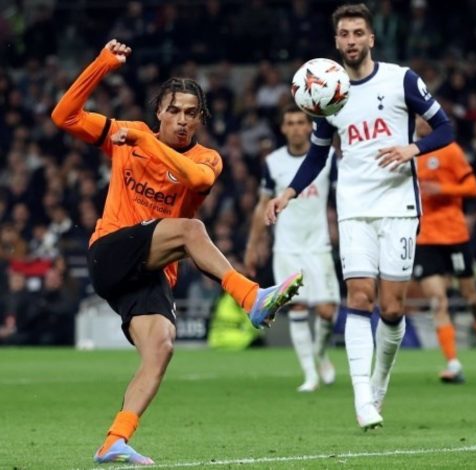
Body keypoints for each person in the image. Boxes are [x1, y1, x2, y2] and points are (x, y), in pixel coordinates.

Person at [51, 40, 303, 465]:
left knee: (161, 346)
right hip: (111, 250)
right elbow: (64, 116)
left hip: (150, 271)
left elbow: (197, 180)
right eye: (174, 111)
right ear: (160, 113)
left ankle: (115, 438)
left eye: (191, 113)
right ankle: (250, 297)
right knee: (190, 229)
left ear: (201, 118)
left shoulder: (207, 157)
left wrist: (143, 140)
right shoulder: (126, 135)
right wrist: (102, 65)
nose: (182, 120)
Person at [265, 3, 454, 430]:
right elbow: (317, 155)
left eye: (357, 33)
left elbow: (446, 128)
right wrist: (288, 193)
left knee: (392, 309)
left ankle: (379, 382)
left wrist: (413, 148)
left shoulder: (401, 79)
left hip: (399, 206)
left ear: (371, 38)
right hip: (353, 209)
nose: (351, 41)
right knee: (359, 298)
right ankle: (362, 398)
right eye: (344, 34)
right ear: (336, 42)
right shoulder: (328, 93)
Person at [245, 105, 340, 392]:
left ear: (309, 127)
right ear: (283, 128)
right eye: (291, 123)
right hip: (286, 247)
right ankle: (310, 375)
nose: (296, 128)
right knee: (297, 306)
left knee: (326, 311)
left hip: (319, 244)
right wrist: (253, 244)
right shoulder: (273, 162)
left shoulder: (328, 156)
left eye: (301, 122)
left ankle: (321, 355)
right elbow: (262, 204)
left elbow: (340, 196)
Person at [411, 116, 476, 383]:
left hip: (453, 234)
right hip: (424, 237)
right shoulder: (408, 152)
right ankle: (453, 363)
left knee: (471, 297)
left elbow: (473, 187)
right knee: (438, 301)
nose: (421, 122)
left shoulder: (449, 150)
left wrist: (442, 189)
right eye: (417, 117)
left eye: (425, 117)